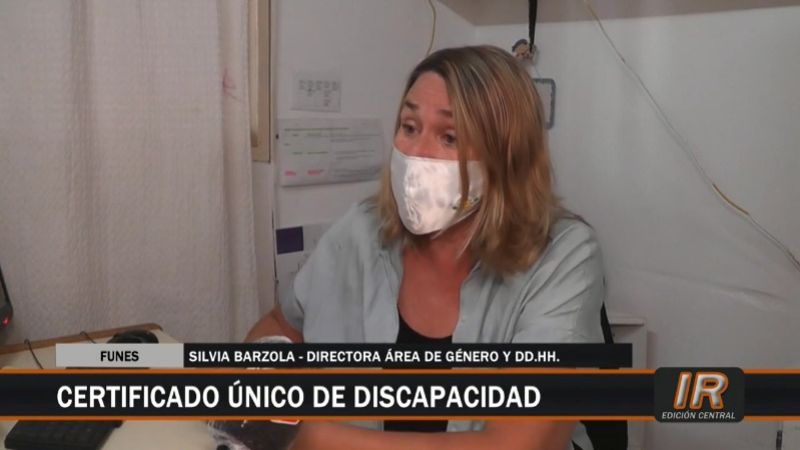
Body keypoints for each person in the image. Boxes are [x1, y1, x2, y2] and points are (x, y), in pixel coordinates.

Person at [246, 45, 605, 450]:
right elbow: (283, 324)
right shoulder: (363, 228)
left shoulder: (565, 255)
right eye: (410, 126)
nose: (415, 154)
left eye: (449, 137)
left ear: (507, 156)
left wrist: (304, 434)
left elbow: (517, 444)